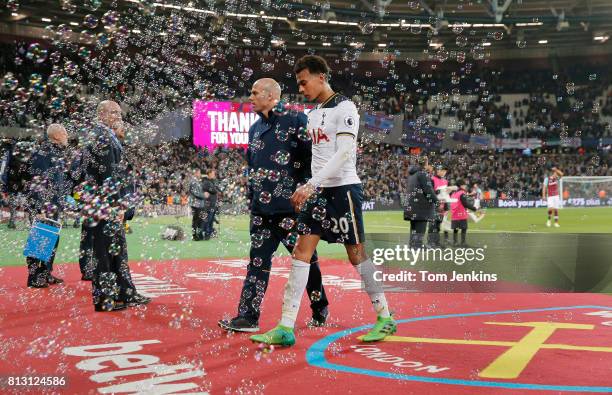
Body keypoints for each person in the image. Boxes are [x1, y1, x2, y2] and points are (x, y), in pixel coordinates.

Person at [250, 56, 395, 346]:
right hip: (318, 194)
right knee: (301, 253)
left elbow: (344, 153)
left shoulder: (346, 107)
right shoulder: (314, 113)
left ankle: (385, 317)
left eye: (304, 81)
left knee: (356, 255)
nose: (300, 88)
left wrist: (310, 185)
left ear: (321, 77)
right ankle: (286, 327)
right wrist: (310, 186)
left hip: (343, 191)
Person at [219, 78, 329, 333]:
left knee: (307, 262)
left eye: (255, 93)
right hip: (262, 212)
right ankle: (248, 316)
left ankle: (319, 306)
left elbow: (313, 158)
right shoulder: (254, 128)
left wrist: (307, 192)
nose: (250, 97)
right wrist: (253, 198)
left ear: (271, 96)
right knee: (257, 263)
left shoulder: (296, 120)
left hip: (292, 210)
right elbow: (253, 167)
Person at [84, 100, 150, 311]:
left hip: (104, 206)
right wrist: (117, 207)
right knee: (104, 254)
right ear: (101, 114)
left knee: (116, 251)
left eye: (120, 113)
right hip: (106, 207)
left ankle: (125, 293)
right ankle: (105, 299)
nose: (118, 116)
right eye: (113, 112)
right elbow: (108, 177)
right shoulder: (102, 138)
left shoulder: (105, 136)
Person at [25, 124, 69, 288]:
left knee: (51, 240)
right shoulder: (43, 153)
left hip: (53, 205)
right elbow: (38, 182)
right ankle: (35, 277)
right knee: (40, 240)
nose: (67, 136)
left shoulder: (55, 153)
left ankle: (45, 273)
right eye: (64, 133)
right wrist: (39, 208)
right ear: (56, 136)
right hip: (44, 206)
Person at [404, 156, 438, 248]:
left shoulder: (412, 174)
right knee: (420, 227)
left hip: (411, 205)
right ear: (425, 163)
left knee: (414, 227)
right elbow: (428, 190)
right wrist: (437, 201)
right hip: (421, 206)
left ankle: (412, 244)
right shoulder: (422, 174)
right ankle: (418, 245)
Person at [429, 164, 454, 247]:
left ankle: (436, 242)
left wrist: (447, 206)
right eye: (442, 170)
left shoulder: (446, 181)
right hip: (434, 206)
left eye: (445, 171)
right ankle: (431, 242)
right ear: (437, 170)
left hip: (443, 206)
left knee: (438, 225)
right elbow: (428, 192)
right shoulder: (432, 179)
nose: (444, 172)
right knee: (433, 224)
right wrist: (438, 192)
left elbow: (448, 195)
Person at [450, 179, 480, 246]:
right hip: (461, 213)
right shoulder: (462, 193)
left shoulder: (453, 193)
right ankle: (463, 243)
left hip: (454, 214)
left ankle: (455, 242)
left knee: (456, 229)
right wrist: (474, 208)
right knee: (464, 228)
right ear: (461, 185)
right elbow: (465, 203)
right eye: (464, 185)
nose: (465, 186)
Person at [201, 168, 219, 240]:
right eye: (213, 173)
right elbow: (214, 191)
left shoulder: (212, 182)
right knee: (208, 220)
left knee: (211, 220)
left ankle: (209, 233)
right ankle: (206, 234)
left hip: (212, 204)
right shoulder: (206, 182)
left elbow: (215, 190)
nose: (214, 175)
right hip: (208, 204)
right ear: (210, 174)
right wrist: (215, 190)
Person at [188, 168, 205, 241]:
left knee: (200, 220)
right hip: (195, 204)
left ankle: (199, 235)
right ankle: (195, 236)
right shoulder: (193, 182)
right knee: (196, 220)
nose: (200, 174)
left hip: (199, 204)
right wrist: (204, 195)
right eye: (199, 173)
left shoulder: (197, 181)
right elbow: (196, 193)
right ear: (195, 173)